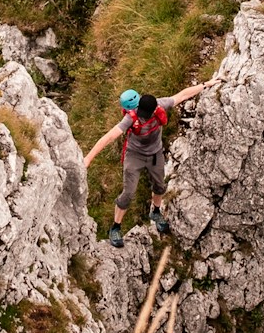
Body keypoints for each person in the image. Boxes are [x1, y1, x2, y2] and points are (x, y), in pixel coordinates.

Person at [85, 81, 208, 246]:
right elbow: (109, 136)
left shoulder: (160, 105)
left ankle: (155, 212)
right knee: (128, 193)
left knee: (159, 186)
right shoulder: (130, 118)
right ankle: (115, 228)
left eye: (145, 113)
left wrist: (206, 85)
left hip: (155, 154)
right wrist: (88, 158)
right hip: (134, 155)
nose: (142, 115)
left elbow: (183, 95)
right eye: (140, 112)